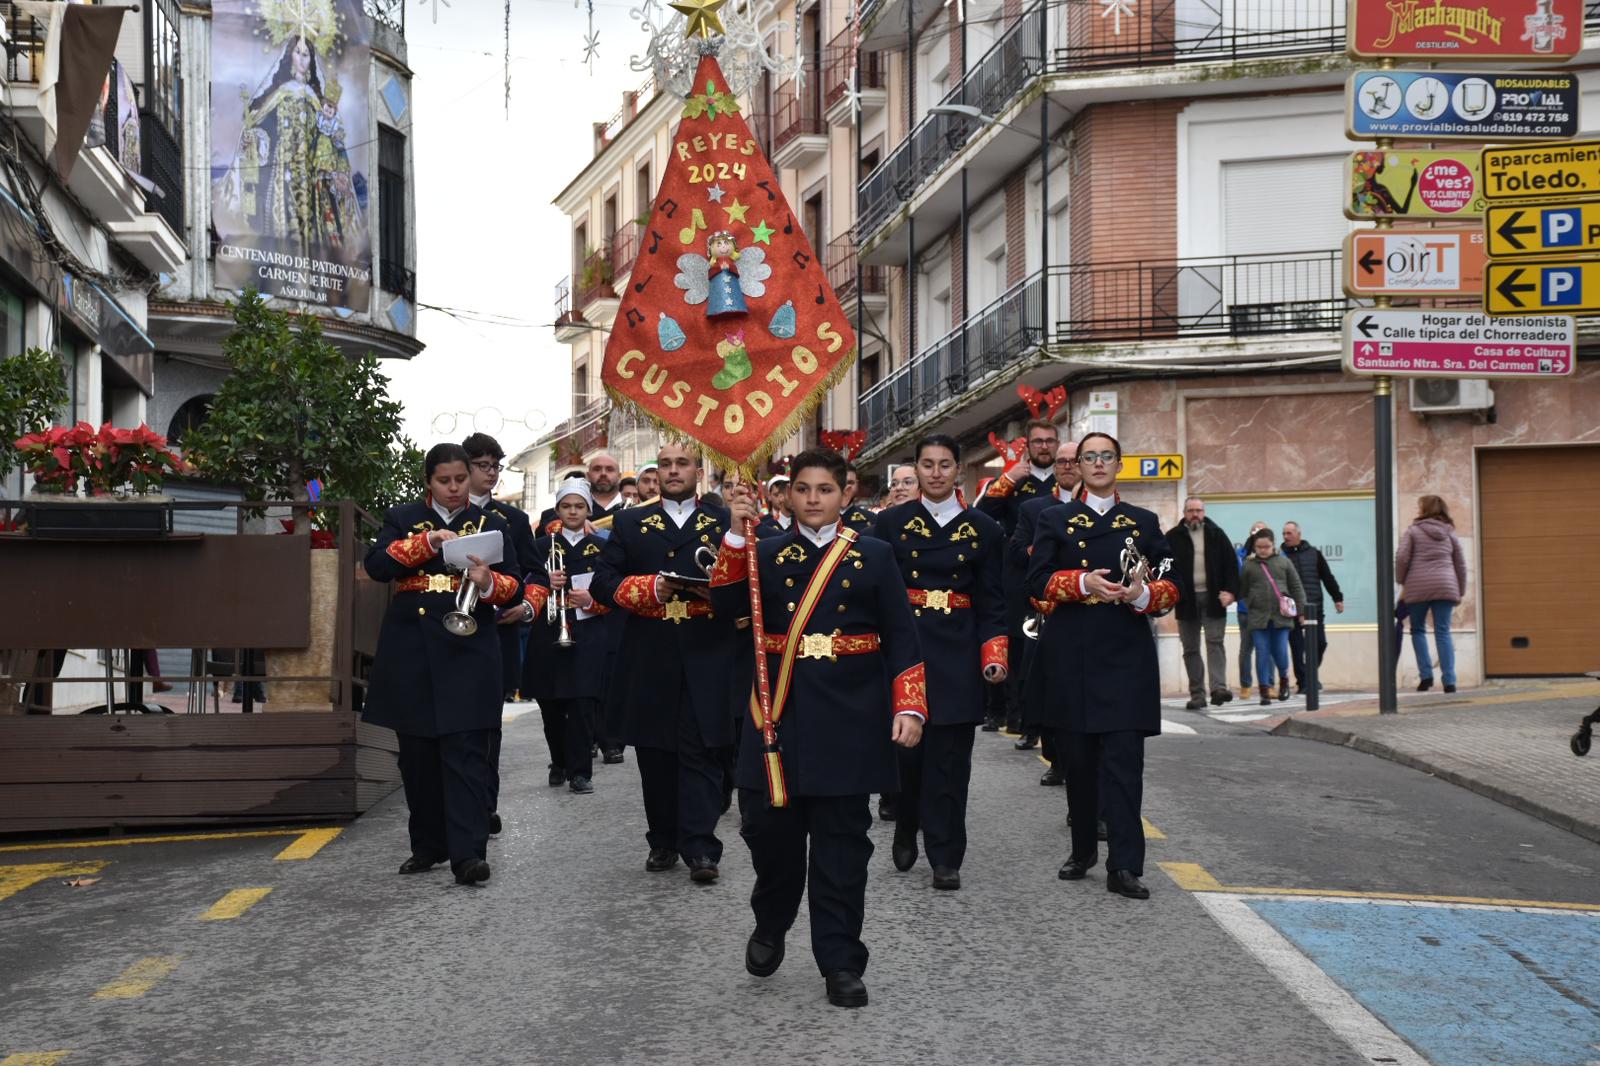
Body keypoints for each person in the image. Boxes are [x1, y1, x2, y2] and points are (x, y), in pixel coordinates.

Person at [711, 449, 927, 1009]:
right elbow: (725, 609)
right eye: (803, 489)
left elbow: (901, 634)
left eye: (825, 489)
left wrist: (909, 705)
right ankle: (771, 919)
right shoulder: (760, 551)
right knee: (771, 841)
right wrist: (733, 535)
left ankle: (841, 961)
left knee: (842, 850)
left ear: (845, 495)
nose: (813, 499)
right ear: (787, 495)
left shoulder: (873, 554)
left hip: (850, 719)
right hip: (777, 716)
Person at [362, 443, 529, 885]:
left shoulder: (493, 523)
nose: (454, 488)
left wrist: (489, 582)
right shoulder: (403, 517)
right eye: (444, 481)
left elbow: (515, 585)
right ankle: (428, 845)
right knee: (417, 755)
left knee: (467, 751)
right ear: (428, 481)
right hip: (412, 646)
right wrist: (428, 541)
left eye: (460, 479)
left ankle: (468, 854)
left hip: (469, 646)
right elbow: (377, 565)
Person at [1026, 432, 1177, 900]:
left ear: (1118, 464)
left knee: (1125, 764)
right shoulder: (1054, 519)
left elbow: (1169, 583)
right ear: (1078, 465)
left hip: (1125, 652)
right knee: (1079, 762)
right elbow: (1036, 580)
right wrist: (1082, 582)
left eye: (1105, 456)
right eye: (1088, 456)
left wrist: (1143, 594)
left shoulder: (1143, 522)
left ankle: (1125, 865)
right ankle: (1083, 850)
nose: (1096, 463)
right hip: (1071, 651)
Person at [591, 443, 740, 883]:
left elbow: (750, 580)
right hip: (650, 650)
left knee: (703, 749)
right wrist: (649, 588)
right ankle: (662, 840)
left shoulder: (724, 520)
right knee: (655, 753)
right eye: (666, 464)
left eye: (683, 464)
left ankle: (701, 847)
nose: (674, 471)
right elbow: (602, 582)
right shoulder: (630, 522)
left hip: (707, 648)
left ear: (698, 471)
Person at [873, 434, 1006, 892]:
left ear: (958, 470)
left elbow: (993, 601)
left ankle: (946, 855)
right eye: (927, 464)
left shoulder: (984, 529)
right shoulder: (890, 523)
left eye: (944, 464)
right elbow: (875, 593)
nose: (935, 473)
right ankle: (907, 821)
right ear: (915, 469)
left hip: (957, 652)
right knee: (907, 759)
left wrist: (994, 655)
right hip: (905, 650)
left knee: (950, 764)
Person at [462, 432, 542, 834]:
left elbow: (536, 574)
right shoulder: (439, 518)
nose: (491, 473)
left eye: (496, 466)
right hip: (449, 634)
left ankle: (484, 804)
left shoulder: (512, 520)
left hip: (497, 634)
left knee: (488, 728)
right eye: (483, 465)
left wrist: (526, 607)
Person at [524, 477, 613, 794]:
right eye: (566, 506)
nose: (573, 511)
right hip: (548, 629)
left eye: (579, 506)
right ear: (558, 510)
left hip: (588, 630)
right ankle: (559, 760)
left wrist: (592, 600)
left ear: (589, 510)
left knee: (582, 703)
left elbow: (614, 590)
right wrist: (545, 581)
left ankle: (580, 771)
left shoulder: (603, 547)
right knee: (550, 705)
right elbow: (524, 585)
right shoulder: (540, 547)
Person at [978, 419, 1059, 744]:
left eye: (1049, 441)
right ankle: (1020, 720)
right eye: (1038, 441)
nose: (1044, 446)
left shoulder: (1066, 478)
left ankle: (1048, 723)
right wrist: (1009, 478)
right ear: (1028, 445)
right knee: (1018, 651)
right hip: (1017, 577)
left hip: (1056, 579)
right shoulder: (1014, 481)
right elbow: (982, 513)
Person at [1007, 439, 1081, 782]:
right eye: (1061, 461)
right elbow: (1017, 550)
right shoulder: (1034, 509)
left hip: (1088, 612)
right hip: (1045, 609)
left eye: (1073, 460)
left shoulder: (1102, 509)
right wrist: (1046, 550)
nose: (1067, 466)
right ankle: (1055, 759)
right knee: (1048, 685)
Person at [1165, 498, 1240, 710]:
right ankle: (1197, 694)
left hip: (1214, 598)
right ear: (1184, 513)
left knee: (1215, 643)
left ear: (1204, 512)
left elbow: (1231, 566)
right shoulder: (1172, 537)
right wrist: (1170, 591)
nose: (1195, 514)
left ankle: (1218, 688)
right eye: (1191, 511)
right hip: (1186, 599)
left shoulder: (1217, 534)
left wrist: (1231, 592)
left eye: (1198, 510)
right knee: (1190, 648)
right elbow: (1164, 566)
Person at [1395, 495, 1467, 693]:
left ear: (1424, 509)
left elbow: (1401, 558)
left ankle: (1426, 677)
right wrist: (1460, 590)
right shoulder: (1449, 532)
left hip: (1418, 586)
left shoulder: (1413, 531)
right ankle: (1449, 681)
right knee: (1443, 631)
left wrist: (1401, 579)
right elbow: (1460, 563)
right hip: (1445, 585)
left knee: (1417, 629)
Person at [1238, 529, 1306, 707]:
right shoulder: (1248, 565)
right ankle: (1264, 690)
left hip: (1281, 617)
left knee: (1280, 652)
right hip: (1258, 617)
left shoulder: (1284, 562)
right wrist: (1251, 601)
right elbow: (1242, 589)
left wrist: (1301, 612)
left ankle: (1284, 680)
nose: (1262, 550)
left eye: (1266, 546)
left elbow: (1296, 587)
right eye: (1259, 547)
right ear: (1254, 546)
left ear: (1273, 544)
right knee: (1262, 652)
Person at [1281, 521, 1345, 695]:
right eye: (1284, 534)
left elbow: (1327, 577)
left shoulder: (1314, 554)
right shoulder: (1281, 557)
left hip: (1314, 607)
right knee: (1298, 647)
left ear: (1298, 534)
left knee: (1320, 643)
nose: (1286, 537)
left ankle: (1310, 674)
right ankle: (1303, 682)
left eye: (1289, 533)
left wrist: (1337, 598)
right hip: (1292, 610)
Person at [1235, 520, 1270, 698]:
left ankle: (1269, 684)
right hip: (1246, 610)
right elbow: (1238, 577)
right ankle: (1245, 685)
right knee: (1246, 649)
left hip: (1267, 610)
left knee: (1266, 648)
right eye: (1255, 533)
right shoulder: (1240, 555)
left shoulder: (1274, 556)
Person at [840, 460, 875, 533]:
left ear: (857, 484)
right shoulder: (818, 518)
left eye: (850, 483)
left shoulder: (872, 519)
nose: (846, 487)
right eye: (841, 482)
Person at [754, 474, 791, 539]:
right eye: (776, 494)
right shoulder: (763, 522)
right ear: (769, 496)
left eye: (786, 494)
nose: (781, 498)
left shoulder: (801, 521)